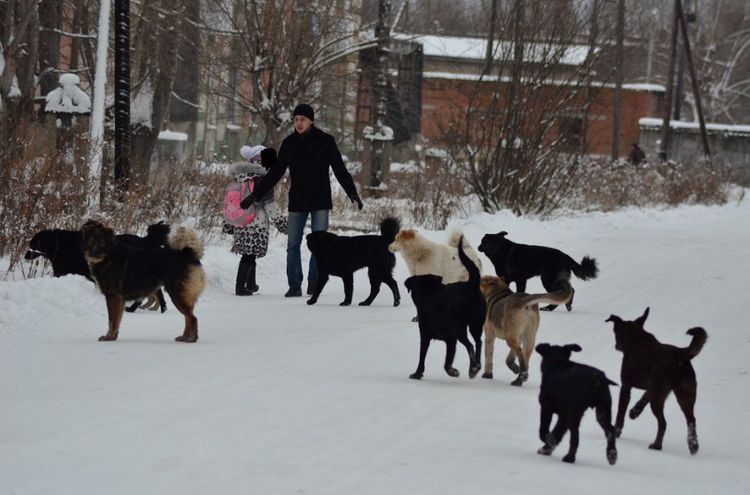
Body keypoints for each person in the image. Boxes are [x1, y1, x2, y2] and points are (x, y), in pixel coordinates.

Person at [240, 103, 362, 297]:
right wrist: (256, 195)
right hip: (298, 200)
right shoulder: (289, 143)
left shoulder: (325, 141)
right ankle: (294, 285)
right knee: (293, 244)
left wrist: (352, 192)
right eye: (296, 120)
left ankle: (314, 282)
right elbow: (276, 172)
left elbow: (339, 169)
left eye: (302, 120)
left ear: (311, 121)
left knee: (321, 245)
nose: (298, 123)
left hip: (320, 200)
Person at [224, 144, 288, 296]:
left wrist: (228, 223)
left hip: (240, 222)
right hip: (256, 224)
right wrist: (282, 224)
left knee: (249, 254)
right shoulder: (263, 180)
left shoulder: (239, 179)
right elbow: (270, 205)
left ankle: (251, 284)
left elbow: (229, 202)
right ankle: (240, 288)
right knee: (248, 256)